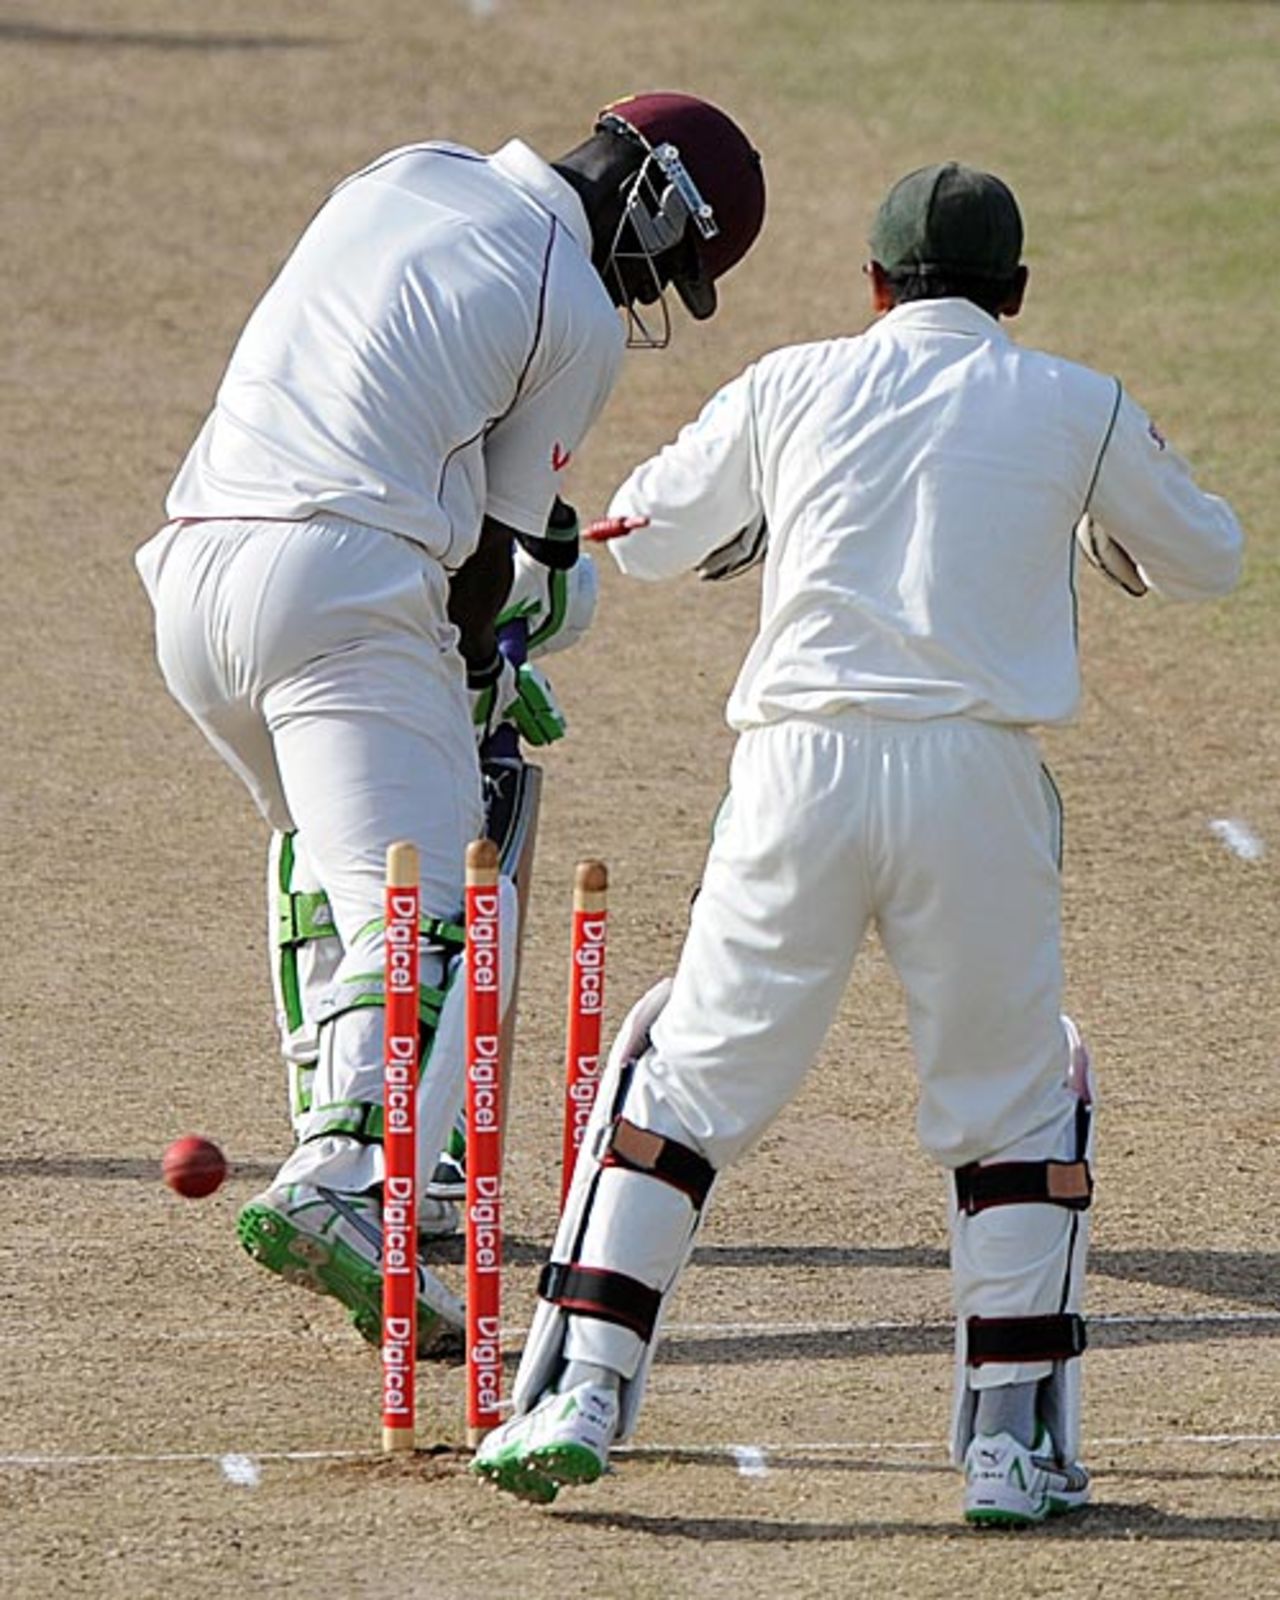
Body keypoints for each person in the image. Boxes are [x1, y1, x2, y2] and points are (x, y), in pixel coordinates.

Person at [473, 161, 1244, 1523]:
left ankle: (586, 1386)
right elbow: (1211, 559)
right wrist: (1087, 520)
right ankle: (1006, 1450)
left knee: (690, 1083)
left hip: (798, 772)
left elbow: (641, 536)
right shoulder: (1077, 400)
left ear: (875, 286)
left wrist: (759, 516)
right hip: (980, 780)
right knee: (1012, 1104)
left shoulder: (792, 381)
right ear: (1016, 295)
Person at [134, 94, 766, 1355]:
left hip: (193, 575)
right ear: (652, 205)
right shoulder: (570, 305)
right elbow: (490, 557)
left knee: (336, 866)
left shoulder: (405, 166)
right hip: (340, 588)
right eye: (671, 262)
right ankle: (339, 1174)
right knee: (445, 906)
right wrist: (475, 668)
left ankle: (380, 1159)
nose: (651, 291)